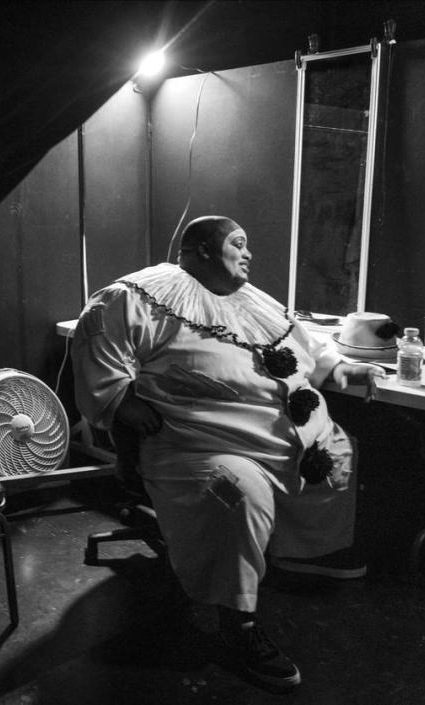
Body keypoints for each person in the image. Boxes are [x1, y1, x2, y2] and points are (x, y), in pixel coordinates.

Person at [71, 215, 384, 691]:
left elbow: (306, 345)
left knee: (338, 447)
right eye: (238, 243)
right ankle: (237, 625)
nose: (249, 254)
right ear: (200, 250)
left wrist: (339, 367)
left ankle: (295, 555)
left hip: (278, 438)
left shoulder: (254, 299)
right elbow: (96, 339)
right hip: (197, 444)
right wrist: (120, 401)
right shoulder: (136, 296)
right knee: (237, 493)